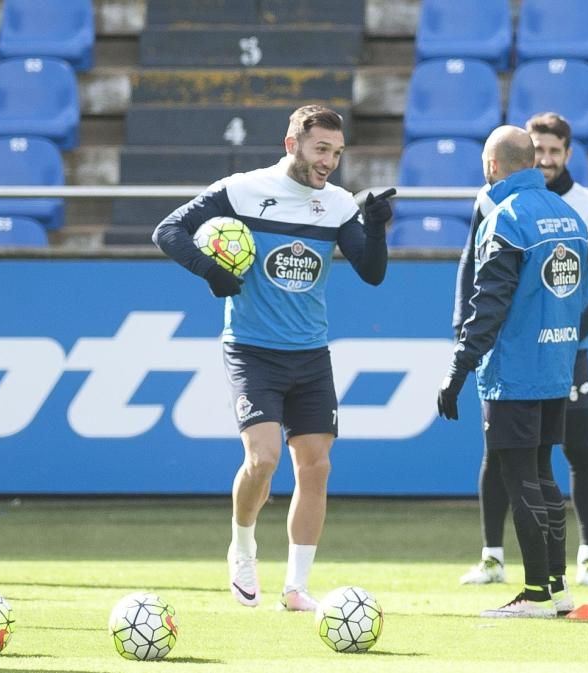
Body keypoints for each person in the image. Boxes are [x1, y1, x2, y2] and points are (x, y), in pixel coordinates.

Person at [152, 105, 395, 611]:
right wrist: (210, 272)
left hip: (310, 353)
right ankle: (242, 549)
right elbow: (169, 230)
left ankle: (296, 587)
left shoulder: (338, 204)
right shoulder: (242, 189)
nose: (329, 161)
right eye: (321, 149)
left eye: (337, 152)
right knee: (263, 459)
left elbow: (372, 273)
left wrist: (375, 228)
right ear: (293, 145)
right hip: (252, 350)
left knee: (317, 467)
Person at [454, 113, 588, 588]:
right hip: (544, 354)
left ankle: (569, 566)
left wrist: (567, 330)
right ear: (530, 156)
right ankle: (521, 567)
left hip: (537, 356)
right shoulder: (512, 206)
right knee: (523, 460)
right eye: (540, 150)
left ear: (567, 154)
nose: (547, 158)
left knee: (557, 456)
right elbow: (471, 268)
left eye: (554, 151)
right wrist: (461, 327)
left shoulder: (580, 208)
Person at [438, 125, 588, 618]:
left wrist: (458, 370)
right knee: (544, 473)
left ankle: (536, 594)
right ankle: (558, 586)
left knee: (519, 475)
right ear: (533, 162)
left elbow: (489, 306)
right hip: (557, 364)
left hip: (514, 370)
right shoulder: (570, 216)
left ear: (492, 166)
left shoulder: (504, 220)